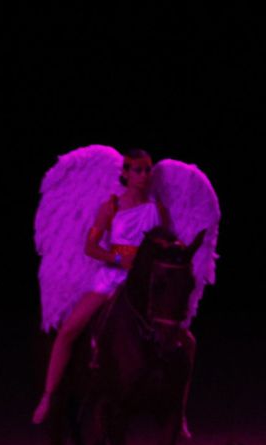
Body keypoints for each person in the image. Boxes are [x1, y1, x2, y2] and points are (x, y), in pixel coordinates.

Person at [31, 148, 172, 425]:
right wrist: (119, 259)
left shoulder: (158, 210)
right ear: (125, 173)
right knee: (70, 329)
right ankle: (49, 396)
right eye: (137, 169)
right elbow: (91, 246)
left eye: (147, 169)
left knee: (180, 337)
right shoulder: (112, 207)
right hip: (112, 277)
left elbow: (167, 245)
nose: (143, 175)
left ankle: (176, 409)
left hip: (145, 282)